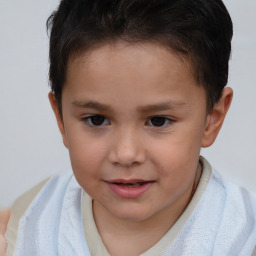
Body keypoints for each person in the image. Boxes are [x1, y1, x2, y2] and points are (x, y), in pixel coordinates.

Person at [3, 0, 256, 255]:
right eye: (96, 120)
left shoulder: (245, 238)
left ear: (212, 118)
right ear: (61, 118)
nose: (125, 154)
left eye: (158, 121)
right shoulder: (29, 224)